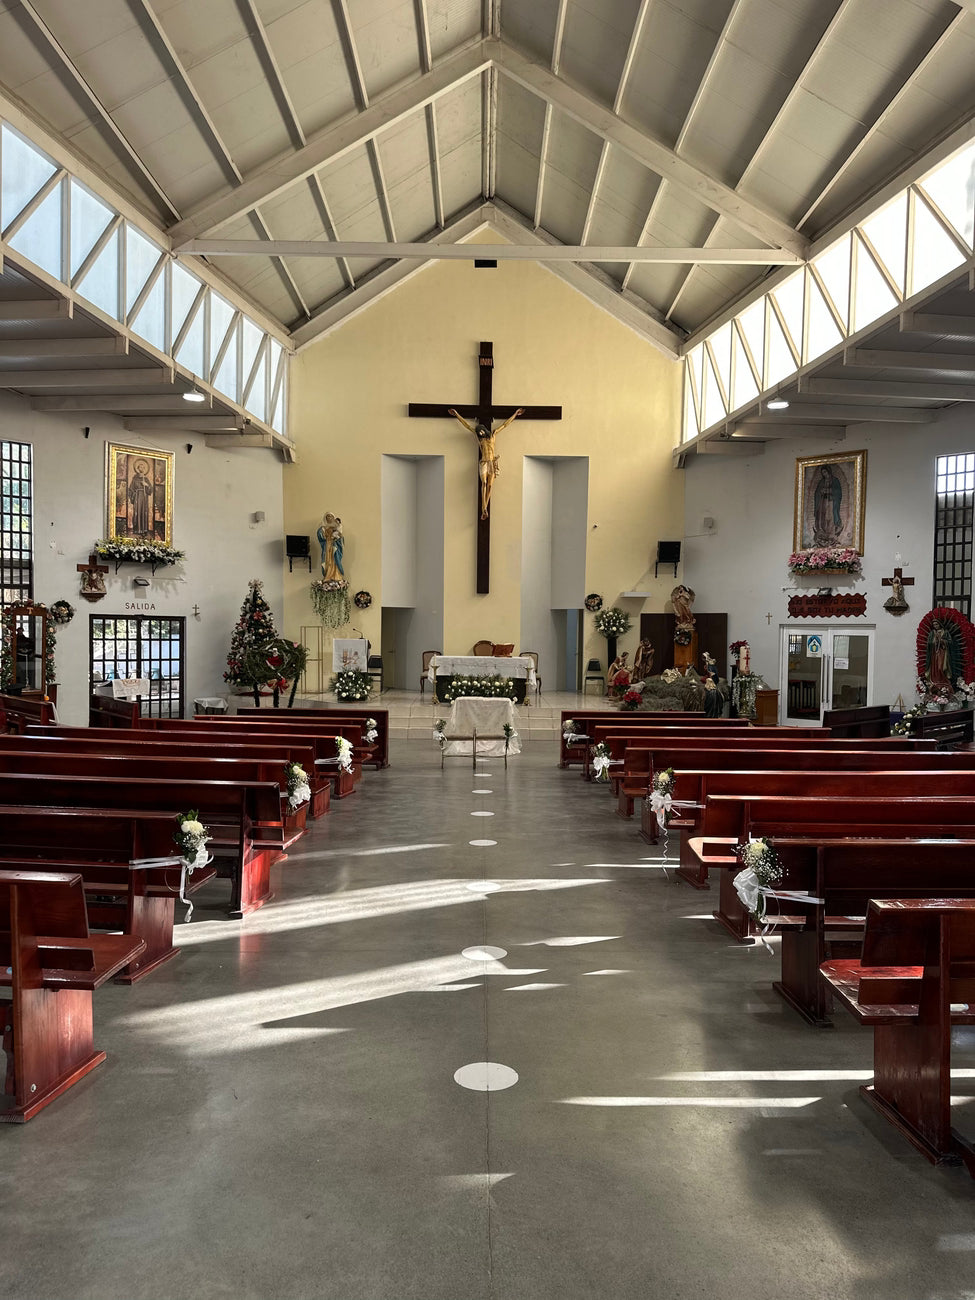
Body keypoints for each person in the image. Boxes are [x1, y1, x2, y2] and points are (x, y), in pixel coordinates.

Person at [448, 407, 525, 519]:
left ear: (485, 429)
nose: (480, 432)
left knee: (489, 485)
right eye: (479, 432)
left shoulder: (493, 435)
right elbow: (467, 426)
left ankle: (485, 508)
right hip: (484, 462)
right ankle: (483, 508)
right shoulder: (480, 440)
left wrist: (515, 414)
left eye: (481, 430)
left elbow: (505, 425)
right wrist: (457, 415)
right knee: (483, 483)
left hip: (491, 463)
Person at [813, 464, 843, 545]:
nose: (824, 474)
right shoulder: (821, 482)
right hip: (823, 502)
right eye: (823, 473)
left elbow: (838, 492)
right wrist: (820, 492)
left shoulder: (835, 480)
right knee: (822, 516)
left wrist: (829, 491)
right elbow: (817, 493)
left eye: (825, 472)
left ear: (829, 471)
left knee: (830, 517)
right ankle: (823, 532)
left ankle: (830, 533)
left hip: (831, 502)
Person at [127, 458, 153, 537]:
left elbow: (150, 489)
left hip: (144, 497)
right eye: (140, 467)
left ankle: (144, 529)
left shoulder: (146, 479)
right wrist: (134, 494)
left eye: (143, 467)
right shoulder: (135, 478)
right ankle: (137, 529)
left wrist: (146, 485)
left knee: (144, 512)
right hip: (137, 497)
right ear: (138, 469)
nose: (142, 469)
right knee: (137, 512)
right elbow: (130, 489)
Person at [317, 513, 345, 582]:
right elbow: (320, 536)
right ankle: (328, 575)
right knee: (328, 560)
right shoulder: (323, 527)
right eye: (328, 516)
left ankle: (336, 576)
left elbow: (341, 537)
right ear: (325, 518)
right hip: (327, 545)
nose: (329, 518)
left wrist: (338, 536)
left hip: (334, 545)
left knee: (335, 560)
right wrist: (322, 530)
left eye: (331, 516)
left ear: (333, 518)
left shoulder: (337, 526)